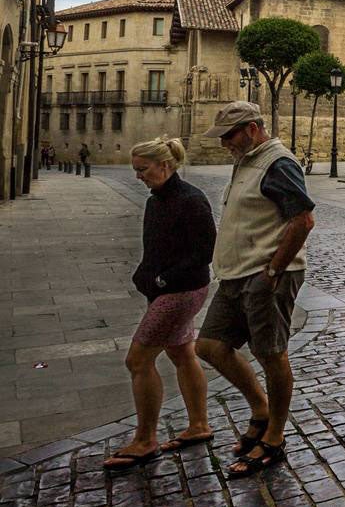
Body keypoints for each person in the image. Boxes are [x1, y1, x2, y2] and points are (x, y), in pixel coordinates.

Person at [195, 101, 314, 479]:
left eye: (229, 136)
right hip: (235, 274)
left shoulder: (277, 163)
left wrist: (275, 268)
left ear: (251, 128)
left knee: (271, 354)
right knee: (209, 346)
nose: (224, 144)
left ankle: (275, 436)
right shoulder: (246, 159)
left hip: (266, 275)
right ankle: (260, 408)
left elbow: (303, 220)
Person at [103, 137, 216, 474]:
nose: (139, 176)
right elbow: (155, 246)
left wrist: (164, 280)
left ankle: (145, 439)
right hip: (166, 290)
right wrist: (145, 274)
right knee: (181, 353)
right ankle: (198, 425)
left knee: (138, 360)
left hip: (181, 291)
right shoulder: (157, 200)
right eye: (136, 170)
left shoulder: (191, 200)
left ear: (165, 165)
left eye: (143, 169)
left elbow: (204, 251)